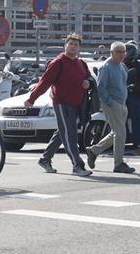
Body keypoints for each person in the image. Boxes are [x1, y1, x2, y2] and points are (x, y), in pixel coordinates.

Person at [25, 33, 94, 177]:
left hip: (77, 104)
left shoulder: (81, 63)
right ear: (65, 46)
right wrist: (32, 99)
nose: (73, 47)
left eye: (76, 44)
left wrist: (88, 83)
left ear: (79, 47)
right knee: (70, 134)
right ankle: (77, 166)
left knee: (62, 132)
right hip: (62, 103)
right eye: (71, 44)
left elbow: (89, 79)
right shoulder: (58, 63)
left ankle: (45, 159)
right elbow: (44, 83)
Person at [86, 42, 136, 174]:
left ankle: (93, 151)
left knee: (116, 132)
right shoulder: (106, 67)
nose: (121, 54)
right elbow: (101, 87)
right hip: (112, 104)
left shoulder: (122, 66)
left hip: (122, 103)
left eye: (123, 51)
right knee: (120, 133)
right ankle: (118, 163)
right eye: (118, 51)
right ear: (111, 52)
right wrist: (110, 102)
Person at [124, 41, 140, 155]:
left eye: (127, 51)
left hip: (135, 95)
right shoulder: (120, 65)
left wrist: (134, 86)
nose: (125, 54)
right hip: (121, 95)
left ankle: (138, 144)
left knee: (135, 116)